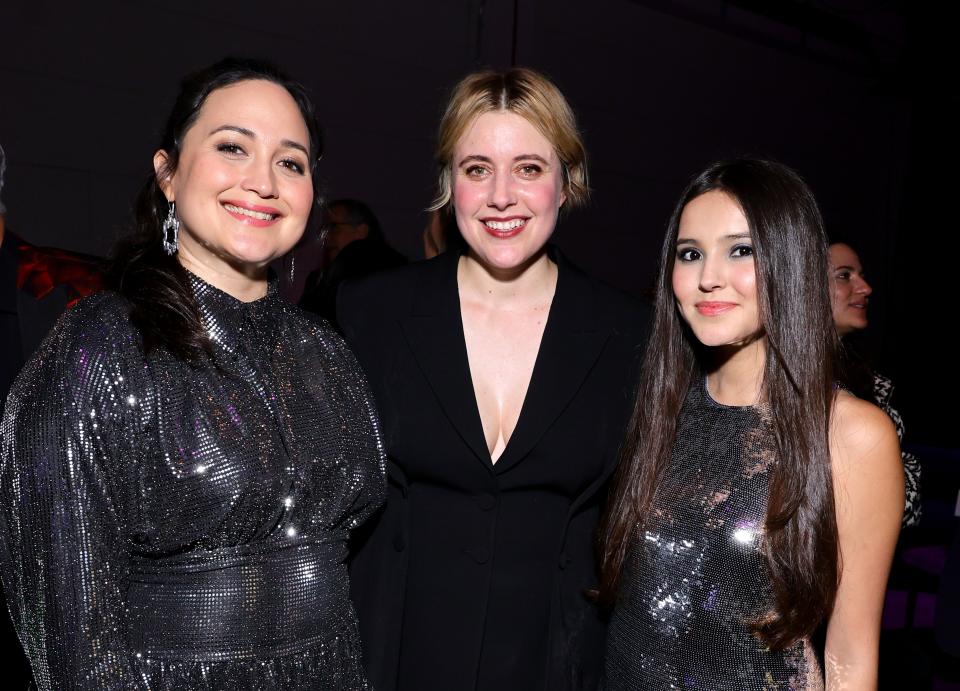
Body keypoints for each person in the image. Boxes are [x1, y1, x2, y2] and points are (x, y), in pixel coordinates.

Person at [0, 58, 385, 690]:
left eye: (291, 162)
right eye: (232, 147)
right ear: (168, 175)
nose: (262, 181)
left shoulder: (327, 351)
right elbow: (69, 624)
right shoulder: (99, 346)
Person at [338, 68, 649, 691]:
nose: (501, 195)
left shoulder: (631, 334)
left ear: (568, 181)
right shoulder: (368, 312)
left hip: (557, 665)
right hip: (392, 656)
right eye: (477, 168)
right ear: (449, 183)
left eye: (529, 168)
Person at [598, 159, 903, 689]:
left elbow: (851, 657)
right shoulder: (649, 413)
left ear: (789, 261)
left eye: (741, 250)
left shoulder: (852, 435)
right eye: (690, 254)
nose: (708, 277)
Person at [828, 241, 921, 526]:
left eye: (861, 275)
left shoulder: (870, 383)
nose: (866, 288)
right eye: (844, 275)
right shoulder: (766, 376)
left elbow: (907, 505)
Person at [299, 199, 406, 329]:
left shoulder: (390, 273)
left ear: (362, 230)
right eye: (324, 229)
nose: (326, 236)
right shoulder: (319, 279)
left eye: (334, 227)